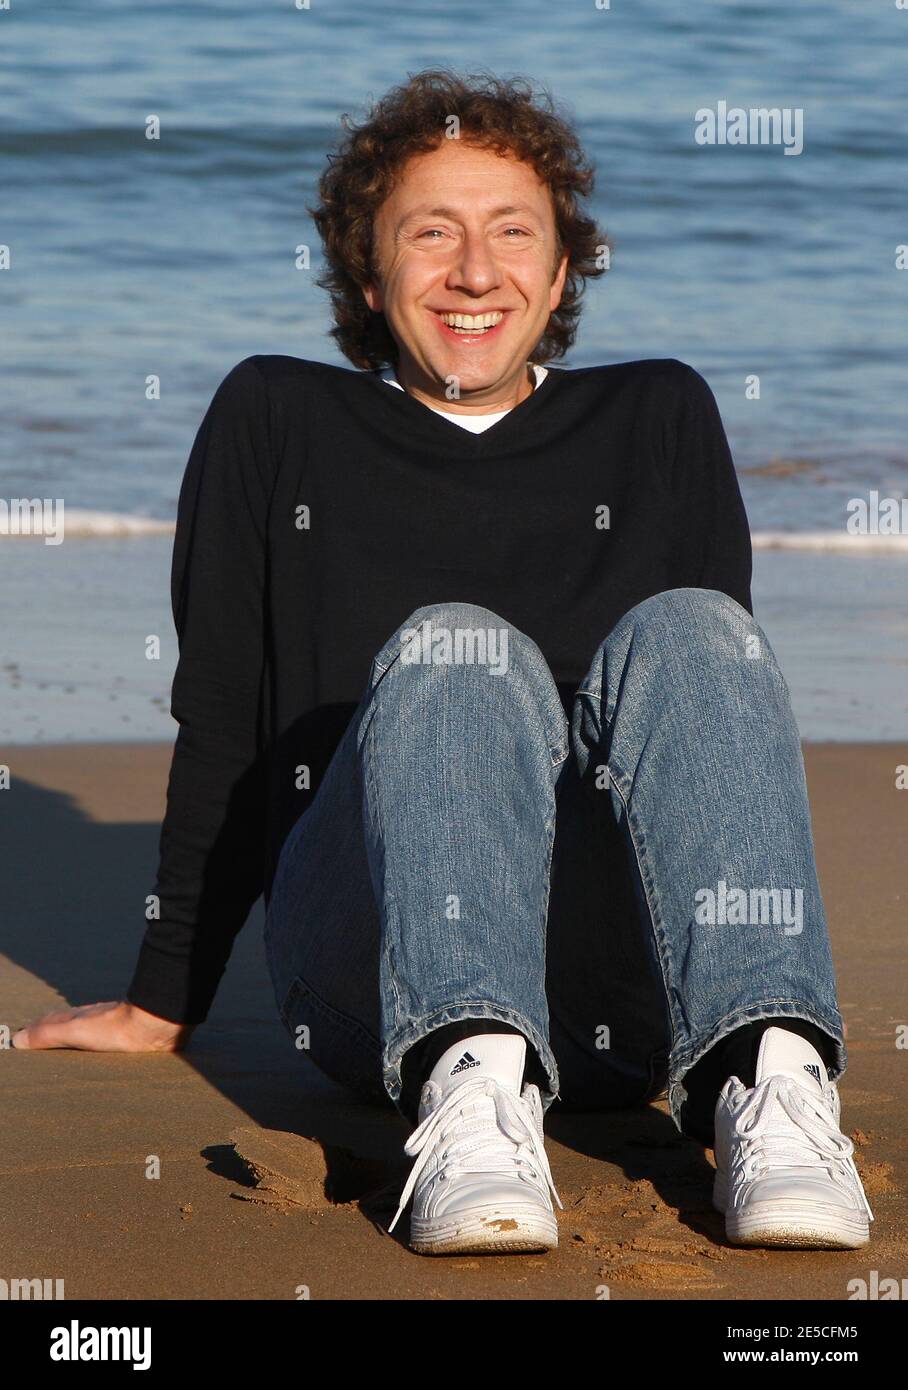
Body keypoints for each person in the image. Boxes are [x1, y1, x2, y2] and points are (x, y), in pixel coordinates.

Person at [13, 69, 872, 1258]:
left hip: (624, 1009)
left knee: (697, 631)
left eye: (512, 232)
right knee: (455, 644)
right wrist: (168, 996)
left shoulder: (658, 415)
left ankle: (770, 1084)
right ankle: (466, 1094)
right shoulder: (276, 419)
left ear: (563, 271)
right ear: (369, 274)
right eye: (432, 234)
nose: (475, 271)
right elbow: (223, 717)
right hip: (373, 988)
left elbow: (708, 742)